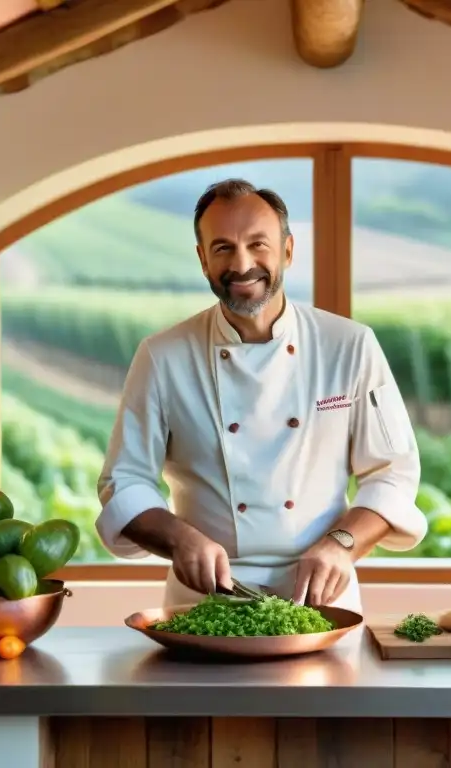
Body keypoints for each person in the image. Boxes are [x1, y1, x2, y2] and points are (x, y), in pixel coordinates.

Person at [95, 178, 426, 611]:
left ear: (287, 250)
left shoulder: (349, 346)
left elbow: (392, 474)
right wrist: (180, 540)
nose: (243, 263)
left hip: (322, 601)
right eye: (223, 248)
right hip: (205, 604)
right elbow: (124, 482)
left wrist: (340, 544)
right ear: (202, 260)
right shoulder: (163, 356)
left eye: (258, 244)